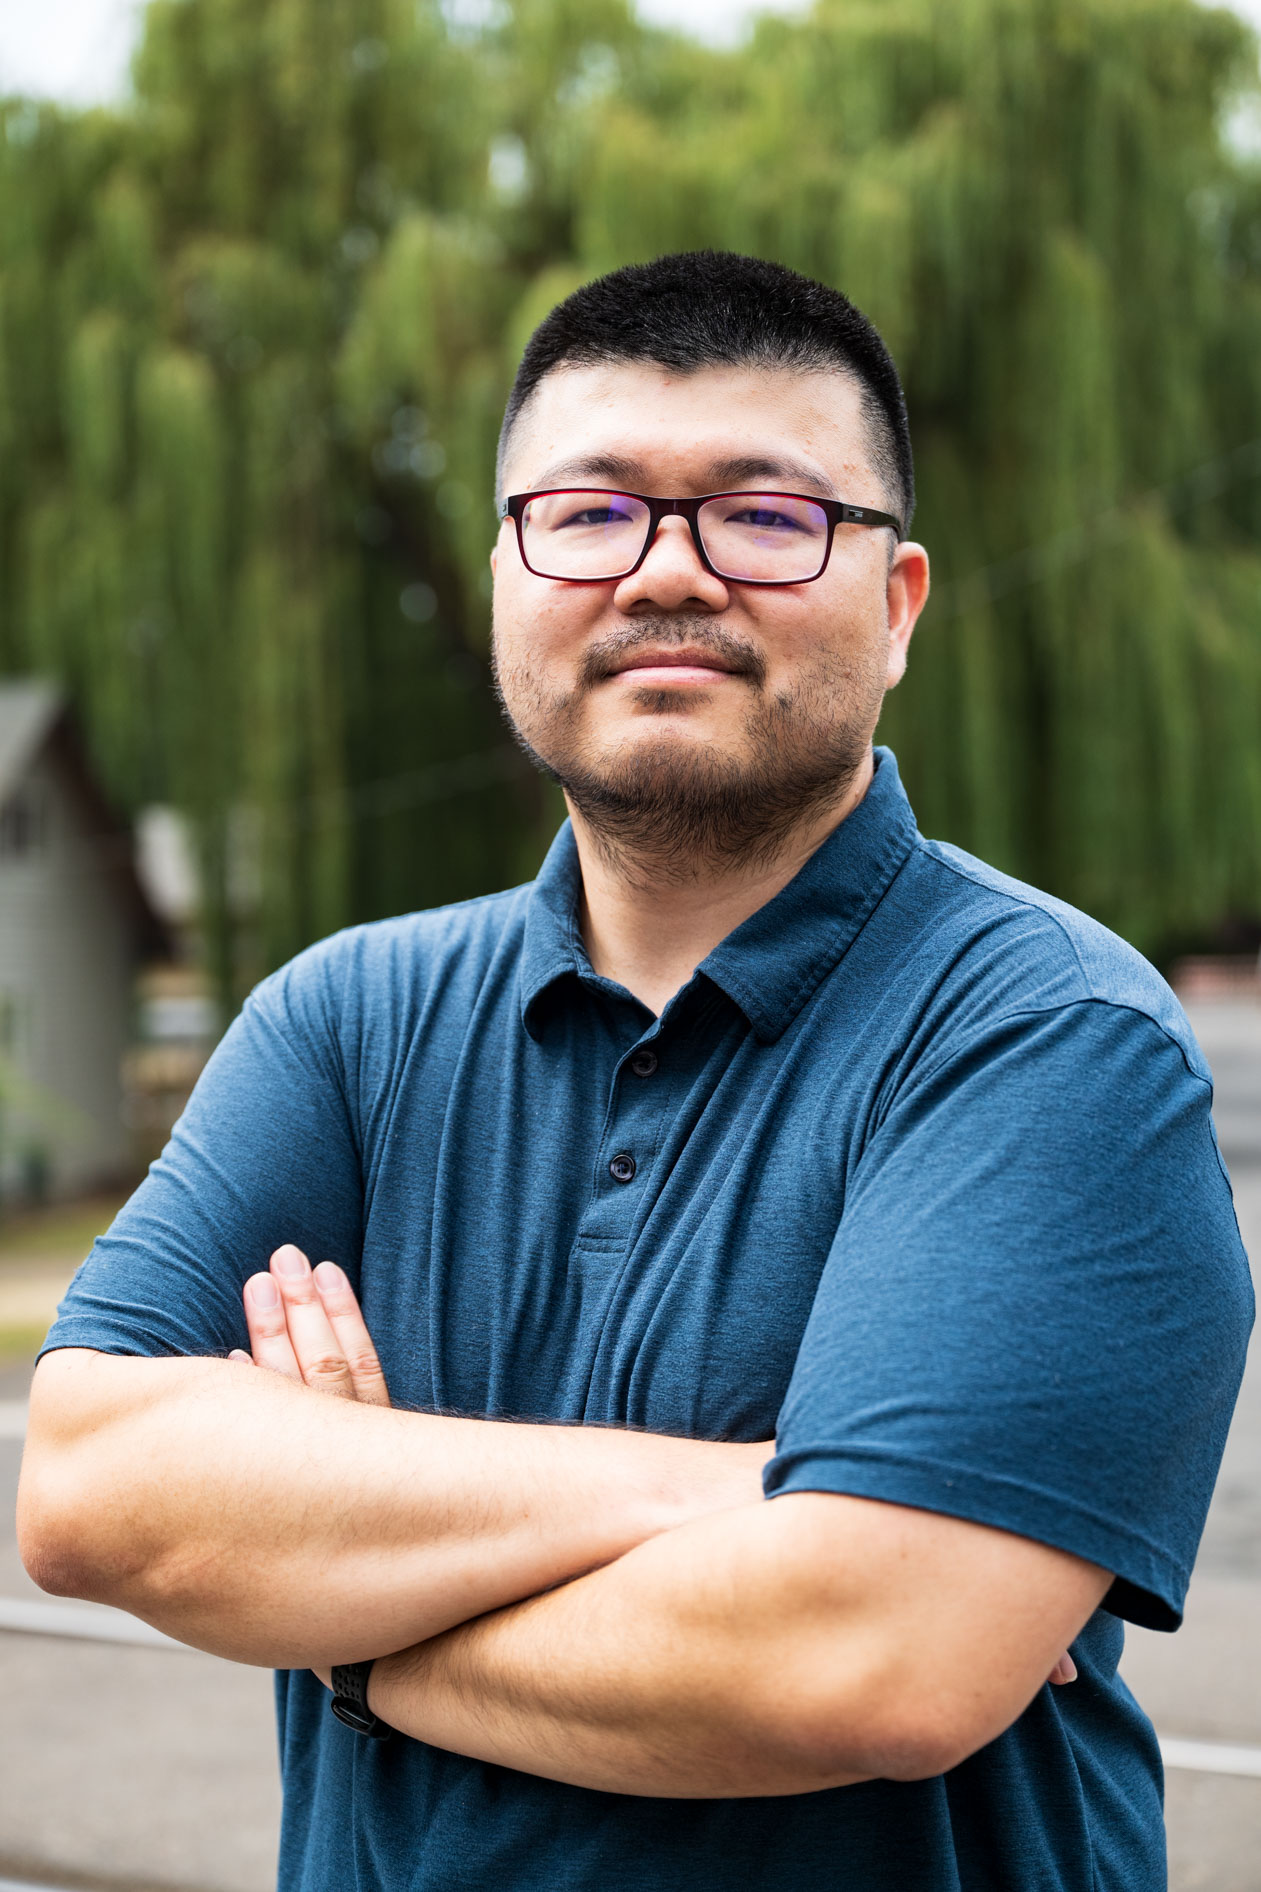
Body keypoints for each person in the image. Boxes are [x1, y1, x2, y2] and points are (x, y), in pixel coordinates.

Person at [18, 251, 1253, 1892]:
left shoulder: (1044, 1038)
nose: (666, 573)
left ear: (895, 607)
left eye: (764, 514)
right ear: (506, 583)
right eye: (588, 514)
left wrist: (350, 1630)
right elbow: (93, 1489)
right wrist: (762, 1496)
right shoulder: (343, 1021)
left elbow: (870, 1657)